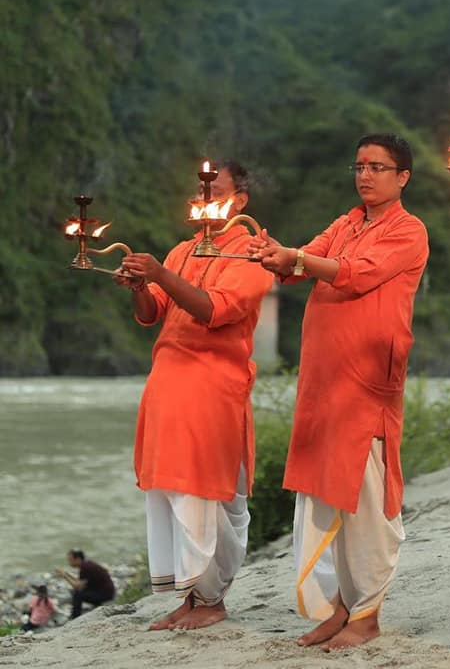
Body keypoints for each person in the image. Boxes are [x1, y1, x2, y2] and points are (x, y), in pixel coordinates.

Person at [248, 133, 429, 652]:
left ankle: (367, 614)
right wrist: (275, 255)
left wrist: (296, 258)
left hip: (368, 378)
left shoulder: (409, 230)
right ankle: (338, 608)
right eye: (360, 166)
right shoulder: (347, 222)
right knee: (325, 487)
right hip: (323, 379)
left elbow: (353, 275)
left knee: (364, 495)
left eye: (377, 167)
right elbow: (307, 259)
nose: (365, 175)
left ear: (403, 177)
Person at [117, 160, 273, 631]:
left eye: (215, 190)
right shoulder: (183, 250)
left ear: (240, 201)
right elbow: (152, 313)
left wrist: (160, 274)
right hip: (166, 381)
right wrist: (141, 285)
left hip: (212, 385)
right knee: (168, 489)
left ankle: (210, 599)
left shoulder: (251, 250)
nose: (204, 198)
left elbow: (214, 310)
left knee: (203, 492)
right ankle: (188, 596)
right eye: (200, 189)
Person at [56, 550, 114, 619]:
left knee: (77, 594)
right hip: (103, 591)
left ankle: (75, 618)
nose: (69, 562)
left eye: (70, 560)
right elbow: (80, 581)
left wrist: (65, 576)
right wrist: (67, 574)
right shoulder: (86, 564)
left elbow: (78, 586)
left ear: (78, 559)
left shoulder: (85, 567)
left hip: (105, 595)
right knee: (75, 591)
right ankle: (95, 605)